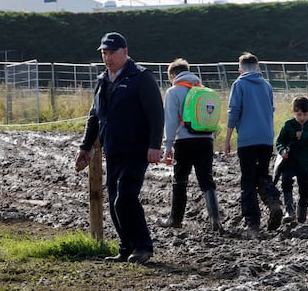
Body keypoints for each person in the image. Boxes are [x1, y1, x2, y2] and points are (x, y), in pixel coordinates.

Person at [74, 32, 163, 264]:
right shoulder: (102, 80)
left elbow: (156, 114)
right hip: (112, 149)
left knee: (124, 197)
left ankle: (143, 246)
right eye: (104, 53)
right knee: (114, 199)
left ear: (125, 52)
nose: (108, 57)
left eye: (112, 52)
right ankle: (126, 248)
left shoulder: (141, 77)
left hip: (137, 149)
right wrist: (85, 146)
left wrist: (155, 145)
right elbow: (94, 116)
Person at [160, 58, 222, 232]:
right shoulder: (203, 91)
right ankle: (216, 220)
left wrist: (168, 146)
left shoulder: (174, 91)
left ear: (173, 75)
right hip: (206, 140)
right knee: (206, 179)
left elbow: (171, 121)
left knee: (180, 180)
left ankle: (175, 219)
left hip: (184, 141)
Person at [224, 52, 283, 233]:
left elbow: (234, 112)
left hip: (248, 139)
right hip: (265, 137)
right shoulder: (266, 85)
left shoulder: (239, 84)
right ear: (257, 68)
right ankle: (274, 202)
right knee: (262, 175)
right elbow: (271, 109)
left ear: (240, 69)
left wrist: (227, 139)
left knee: (248, 179)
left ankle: (252, 221)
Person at [275, 96, 308, 224]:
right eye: (299, 114)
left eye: (305, 114)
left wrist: (305, 136)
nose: (302, 118)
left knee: (305, 190)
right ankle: (289, 211)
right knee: (286, 181)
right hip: (289, 161)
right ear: (293, 112)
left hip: (304, 163)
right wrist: (282, 150)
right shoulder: (288, 125)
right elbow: (279, 141)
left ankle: (301, 216)